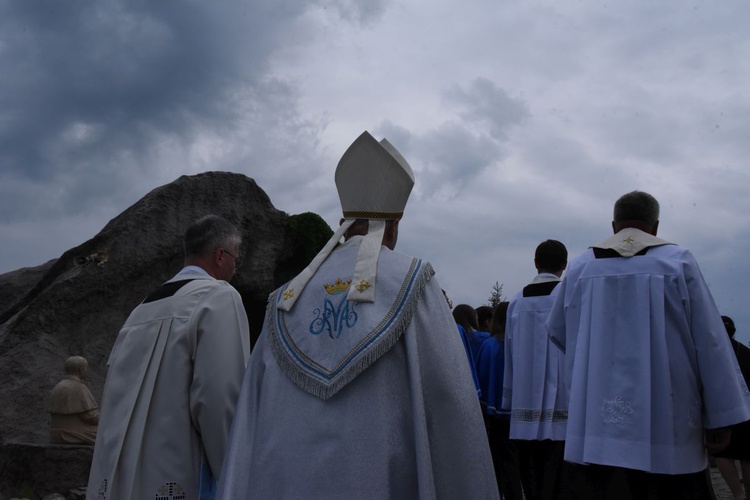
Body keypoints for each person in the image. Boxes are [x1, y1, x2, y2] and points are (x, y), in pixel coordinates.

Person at [218, 131, 499, 499]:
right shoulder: (414, 282)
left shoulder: (285, 299)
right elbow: (451, 403)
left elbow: (252, 416)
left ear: (343, 223)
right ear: (394, 226)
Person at [546, 191, 750, 499]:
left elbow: (557, 331)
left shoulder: (579, 268)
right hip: (667, 418)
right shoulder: (678, 261)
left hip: (598, 424)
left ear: (614, 225)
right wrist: (722, 416)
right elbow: (710, 342)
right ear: (655, 226)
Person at [87, 215, 251, 500]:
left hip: (122, 479)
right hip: (179, 472)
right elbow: (219, 397)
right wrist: (236, 476)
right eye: (236, 258)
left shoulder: (140, 310)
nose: (236, 268)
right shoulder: (219, 297)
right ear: (220, 256)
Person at [502, 239, 570, 500]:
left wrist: (508, 398)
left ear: (535, 263)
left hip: (525, 399)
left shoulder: (518, 301)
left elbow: (509, 351)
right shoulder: (567, 296)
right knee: (560, 476)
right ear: (565, 265)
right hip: (563, 398)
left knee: (532, 475)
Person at [476, 302, 524, 500]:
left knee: (496, 462)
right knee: (515, 462)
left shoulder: (489, 345)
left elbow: (480, 378)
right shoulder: (522, 345)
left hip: (495, 416)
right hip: (520, 414)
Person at [714, 315, 750, 500]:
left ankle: (738, 493)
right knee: (746, 454)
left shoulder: (714, 352)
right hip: (746, 410)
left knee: (721, 452)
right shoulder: (745, 351)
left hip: (722, 409)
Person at [48, 356, 99, 445]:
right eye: (86, 369)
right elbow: (90, 417)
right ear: (81, 370)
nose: (86, 372)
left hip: (55, 433)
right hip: (71, 434)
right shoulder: (78, 387)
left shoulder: (58, 386)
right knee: (106, 433)